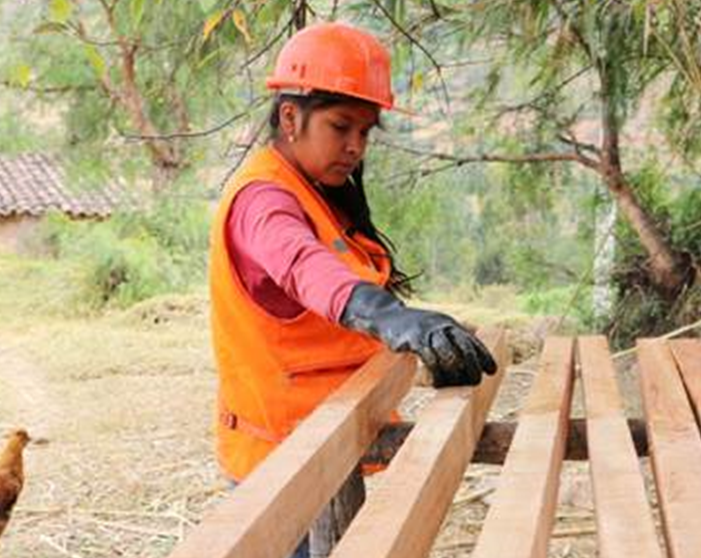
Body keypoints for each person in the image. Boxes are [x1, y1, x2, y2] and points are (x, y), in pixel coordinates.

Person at [208, 21, 497, 558]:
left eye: (365, 132)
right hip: (280, 466)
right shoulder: (262, 200)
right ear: (291, 117)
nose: (356, 147)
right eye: (342, 127)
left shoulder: (316, 191)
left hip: (326, 444)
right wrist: (391, 317)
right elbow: (306, 267)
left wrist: (416, 333)